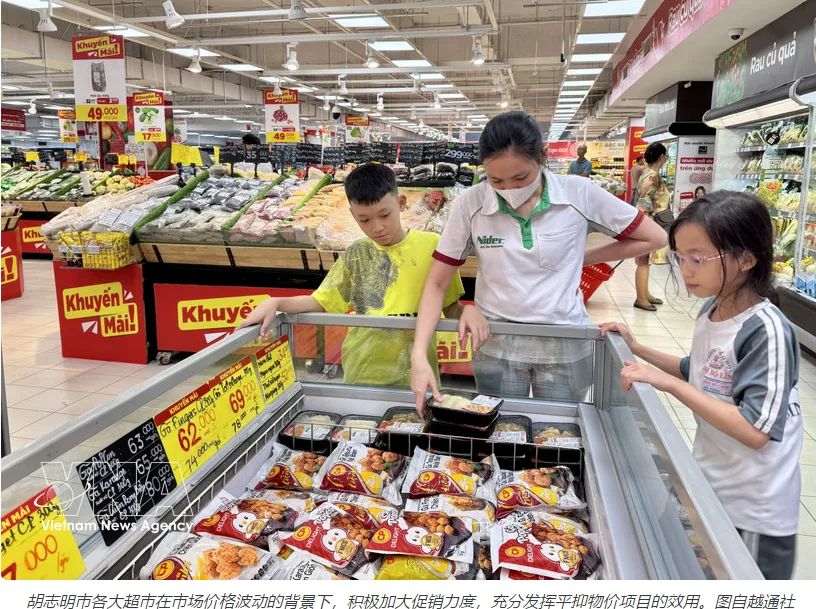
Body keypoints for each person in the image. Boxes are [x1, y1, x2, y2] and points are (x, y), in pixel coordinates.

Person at [601, 191, 802, 580]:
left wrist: (670, 386)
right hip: (711, 482)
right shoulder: (713, 309)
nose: (685, 271)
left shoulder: (766, 330)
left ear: (747, 258)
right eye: (679, 257)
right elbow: (701, 372)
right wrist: (637, 347)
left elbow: (756, 429)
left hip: (754, 509)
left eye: (698, 259)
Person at [409, 111, 667, 411]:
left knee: (558, 435)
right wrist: (418, 355)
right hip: (496, 344)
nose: (509, 189)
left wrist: (582, 257)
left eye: (521, 177)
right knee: (500, 430)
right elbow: (437, 283)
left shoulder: (578, 194)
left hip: (564, 344)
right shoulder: (472, 203)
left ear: (541, 158)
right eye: (496, 180)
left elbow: (655, 238)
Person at [238, 163, 465, 387]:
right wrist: (276, 302)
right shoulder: (356, 254)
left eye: (385, 215)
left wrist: (472, 312)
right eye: (364, 220)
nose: (377, 227)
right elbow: (321, 301)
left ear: (401, 203)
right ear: (352, 215)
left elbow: (450, 307)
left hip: (417, 372)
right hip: (362, 370)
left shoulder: (434, 248)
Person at [633, 142, 672, 311]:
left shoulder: (648, 173)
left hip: (646, 222)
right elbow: (645, 202)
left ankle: (645, 293)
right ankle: (641, 298)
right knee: (643, 261)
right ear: (662, 157)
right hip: (647, 223)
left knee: (646, 261)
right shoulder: (652, 176)